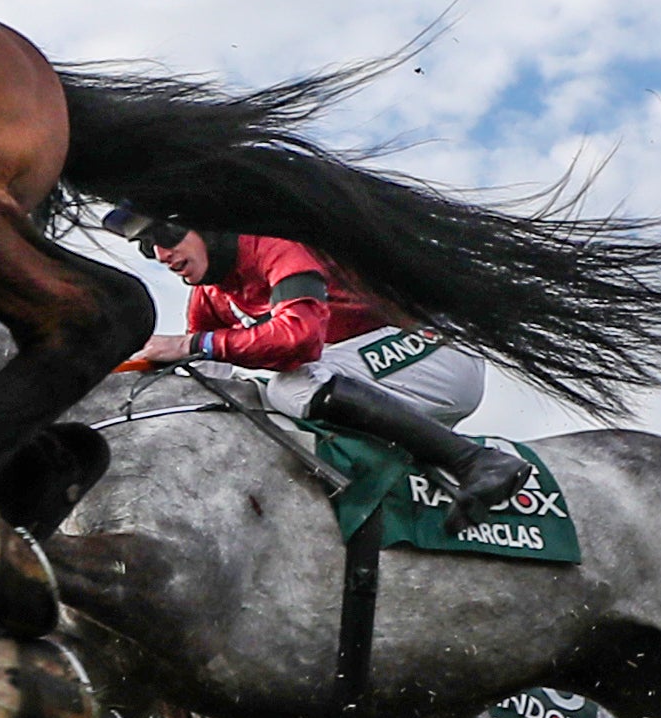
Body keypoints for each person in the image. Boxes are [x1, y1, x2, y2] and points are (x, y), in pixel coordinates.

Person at [115, 208, 538, 510]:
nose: (161, 255)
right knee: (251, 398)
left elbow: (298, 342)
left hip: (437, 351)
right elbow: (207, 385)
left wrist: (190, 345)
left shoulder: (276, 247)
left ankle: (477, 462)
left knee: (290, 385)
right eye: (147, 248)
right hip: (377, 374)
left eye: (166, 235)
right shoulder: (209, 298)